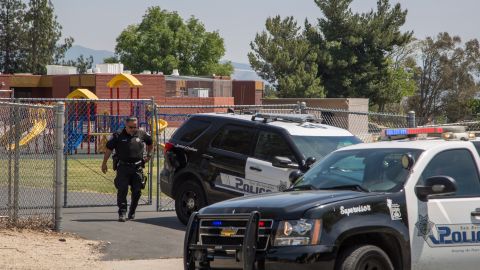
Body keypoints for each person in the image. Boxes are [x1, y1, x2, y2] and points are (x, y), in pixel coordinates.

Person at [101, 117, 153, 222]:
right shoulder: (118, 135)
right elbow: (109, 149)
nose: (133, 129)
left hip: (137, 167)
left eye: (135, 126)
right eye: (131, 127)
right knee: (122, 190)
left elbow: (150, 143)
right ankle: (122, 212)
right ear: (125, 125)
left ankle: (132, 211)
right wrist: (104, 163)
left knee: (137, 191)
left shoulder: (141, 134)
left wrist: (149, 155)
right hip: (123, 167)